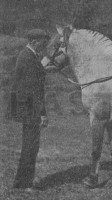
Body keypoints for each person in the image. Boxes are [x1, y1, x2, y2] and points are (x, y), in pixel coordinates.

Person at [10, 29, 62, 192]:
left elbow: (38, 72)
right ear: (34, 41)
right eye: (42, 42)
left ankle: (21, 182)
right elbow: (34, 89)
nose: (44, 45)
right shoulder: (27, 57)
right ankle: (24, 184)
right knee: (30, 146)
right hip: (30, 108)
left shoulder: (28, 56)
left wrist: (46, 67)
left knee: (30, 145)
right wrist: (42, 113)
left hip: (27, 106)